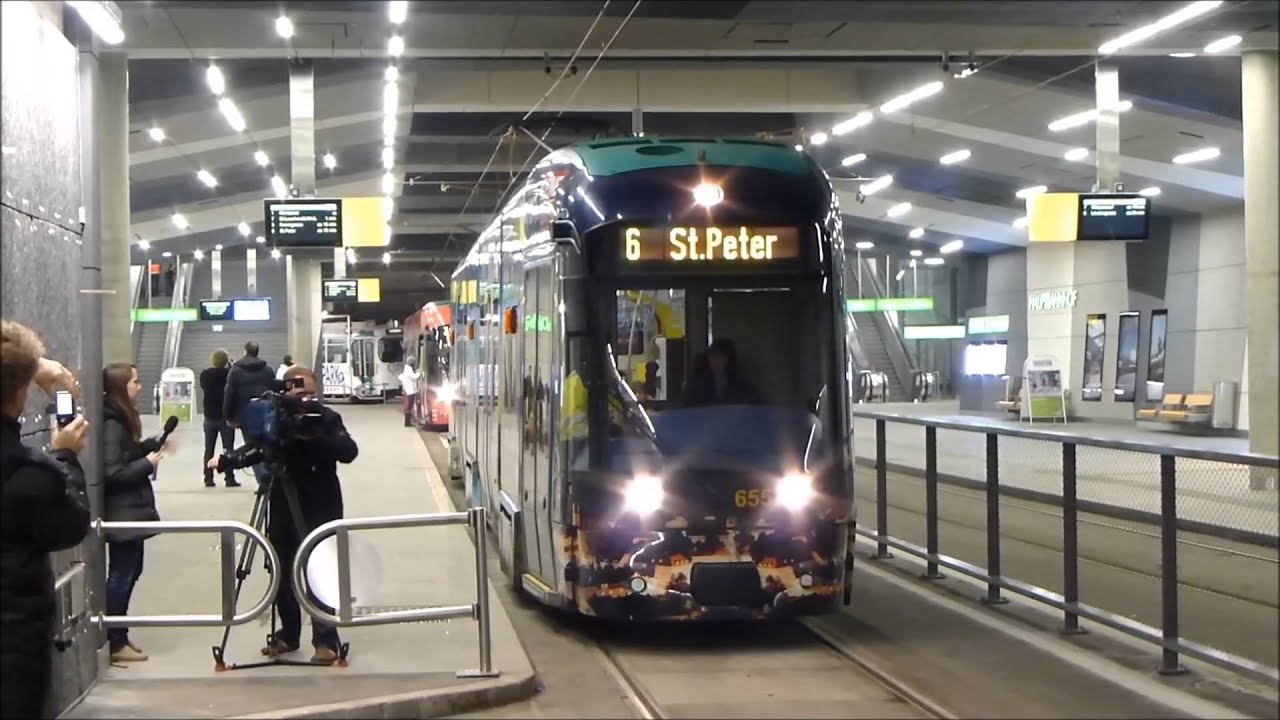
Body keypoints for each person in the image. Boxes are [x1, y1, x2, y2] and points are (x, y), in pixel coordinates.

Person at [210, 367, 357, 663]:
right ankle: (288, 635)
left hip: (320, 503)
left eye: (311, 394)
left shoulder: (326, 418)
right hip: (282, 501)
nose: (307, 400)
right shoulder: (277, 419)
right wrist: (229, 460)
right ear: (286, 392)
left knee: (318, 571)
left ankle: (326, 641)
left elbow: (348, 451)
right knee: (280, 568)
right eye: (300, 394)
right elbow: (260, 450)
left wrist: (312, 437)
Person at [1, 321, 91, 720]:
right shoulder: (31, 473)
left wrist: (28, 365)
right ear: (19, 396)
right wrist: (66, 456)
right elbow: (71, 525)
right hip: (13, 645)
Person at [101, 363, 168, 663]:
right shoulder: (113, 425)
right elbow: (113, 472)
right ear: (121, 387)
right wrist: (147, 464)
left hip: (130, 509)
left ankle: (119, 634)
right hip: (122, 511)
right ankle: (115, 640)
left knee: (130, 570)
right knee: (122, 573)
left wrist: (147, 447)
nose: (139, 387)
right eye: (135, 382)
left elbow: (124, 455)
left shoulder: (119, 419)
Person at [224, 341, 276, 486]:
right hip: (266, 414)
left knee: (252, 447)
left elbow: (229, 395)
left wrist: (229, 416)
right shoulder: (267, 370)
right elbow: (274, 391)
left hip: (245, 415)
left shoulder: (235, 371)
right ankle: (269, 478)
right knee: (267, 447)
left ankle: (263, 480)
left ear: (245, 351)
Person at [682, 337, 760, 407]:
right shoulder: (699, 380)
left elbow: (754, 400)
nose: (715, 361)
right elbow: (687, 403)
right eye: (712, 356)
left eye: (720, 357)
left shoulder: (739, 381)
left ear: (728, 360)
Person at [199, 349, 238, 488]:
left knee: (209, 449)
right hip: (225, 417)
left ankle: (208, 478)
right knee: (228, 448)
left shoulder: (205, 375)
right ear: (226, 361)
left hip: (209, 416)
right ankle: (229, 477)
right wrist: (231, 367)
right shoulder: (229, 374)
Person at [398, 356, 421, 427]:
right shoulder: (408, 369)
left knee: (409, 407)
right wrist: (419, 372)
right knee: (409, 407)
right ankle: (407, 423)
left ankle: (408, 422)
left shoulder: (407, 369)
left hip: (409, 390)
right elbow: (414, 377)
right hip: (410, 391)